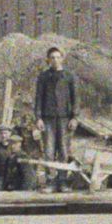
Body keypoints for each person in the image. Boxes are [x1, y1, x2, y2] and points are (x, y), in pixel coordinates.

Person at [33, 47, 77, 186]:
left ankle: (63, 181)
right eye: (52, 57)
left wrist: (75, 117)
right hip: (48, 119)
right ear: (48, 60)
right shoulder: (44, 77)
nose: (55, 60)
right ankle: (51, 181)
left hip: (65, 119)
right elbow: (38, 98)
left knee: (64, 150)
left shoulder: (69, 77)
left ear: (62, 59)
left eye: (58, 57)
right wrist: (38, 118)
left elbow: (76, 98)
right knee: (49, 151)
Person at [0, 126, 28, 192]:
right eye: (1, 133)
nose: (3, 136)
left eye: (5, 133)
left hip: (13, 179)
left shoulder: (15, 148)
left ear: (10, 134)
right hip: (0, 177)